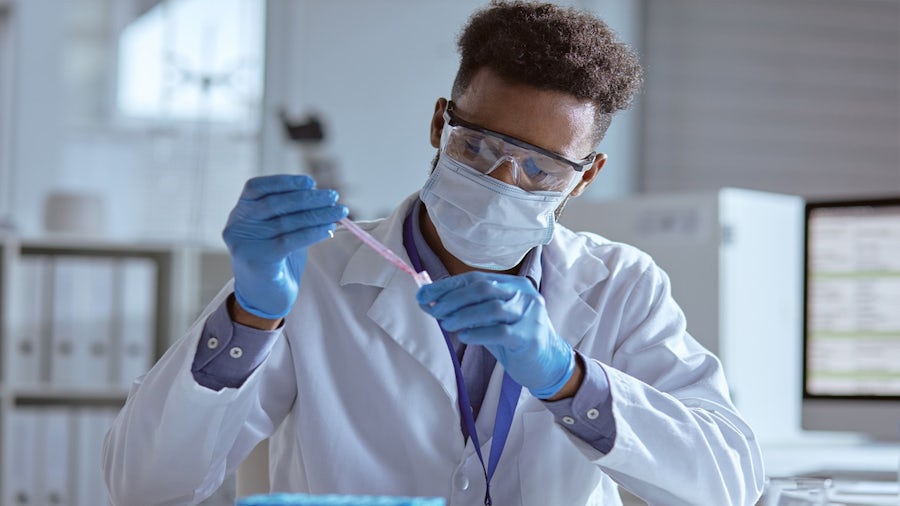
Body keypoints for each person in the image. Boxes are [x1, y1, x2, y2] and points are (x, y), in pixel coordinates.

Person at [103, 1, 765, 505]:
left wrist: (566, 379)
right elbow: (145, 484)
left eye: (541, 170)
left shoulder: (621, 285)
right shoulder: (315, 270)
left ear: (586, 176)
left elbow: (729, 480)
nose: (503, 182)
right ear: (439, 123)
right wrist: (250, 315)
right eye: (478, 146)